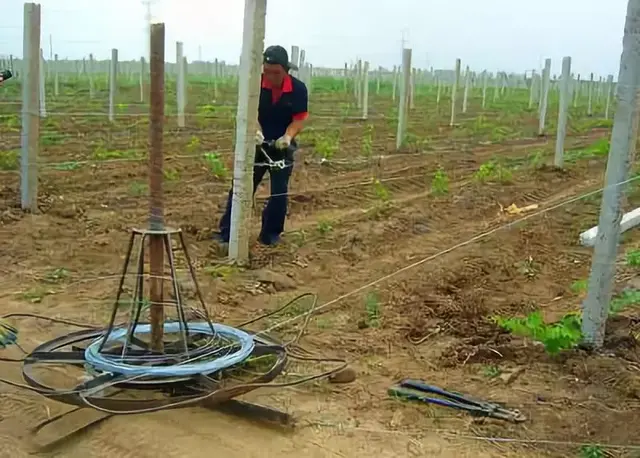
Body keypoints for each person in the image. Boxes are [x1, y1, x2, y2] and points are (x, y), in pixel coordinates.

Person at [216, 45, 308, 247]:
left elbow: (299, 119)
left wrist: (287, 137)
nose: (271, 76)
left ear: (285, 70)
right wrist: (255, 131)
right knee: (241, 186)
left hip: (282, 145)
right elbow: (251, 113)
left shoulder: (298, 89)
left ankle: (270, 235)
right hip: (256, 143)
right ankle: (227, 232)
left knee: (279, 191)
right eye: (267, 71)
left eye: (275, 72)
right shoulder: (254, 85)